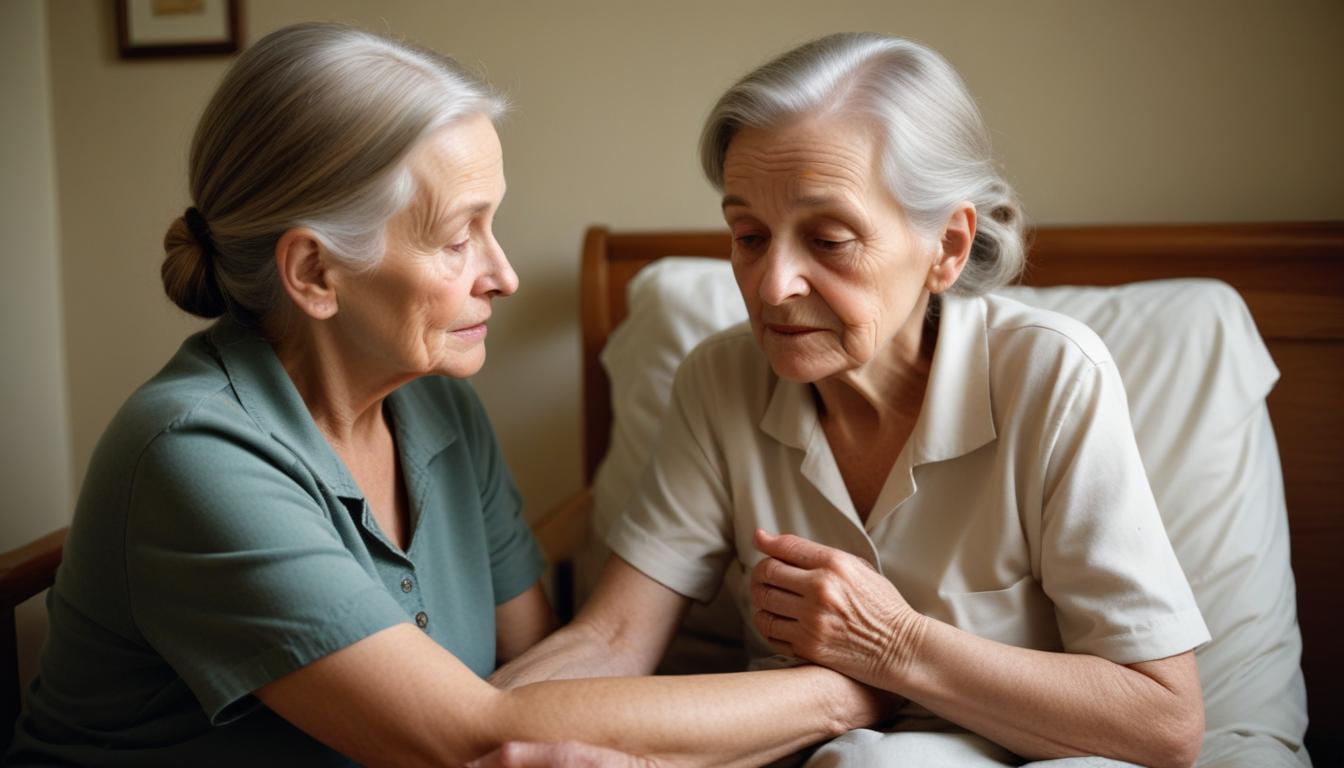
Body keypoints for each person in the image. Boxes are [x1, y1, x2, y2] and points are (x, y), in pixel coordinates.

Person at [2, 23, 889, 767]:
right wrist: (851, 690)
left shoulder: (434, 406)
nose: (502, 274)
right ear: (315, 273)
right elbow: (480, 732)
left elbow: (541, 678)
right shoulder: (196, 455)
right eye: (459, 238)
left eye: (492, 226)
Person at [493, 33, 1209, 768]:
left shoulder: (1051, 377)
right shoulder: (720, 380)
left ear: (948, 247)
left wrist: (895, 647)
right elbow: (613, 639)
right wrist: (454, 723)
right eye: (749, 236)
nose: (772, 287)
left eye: (829, 240)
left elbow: (1166, 722)